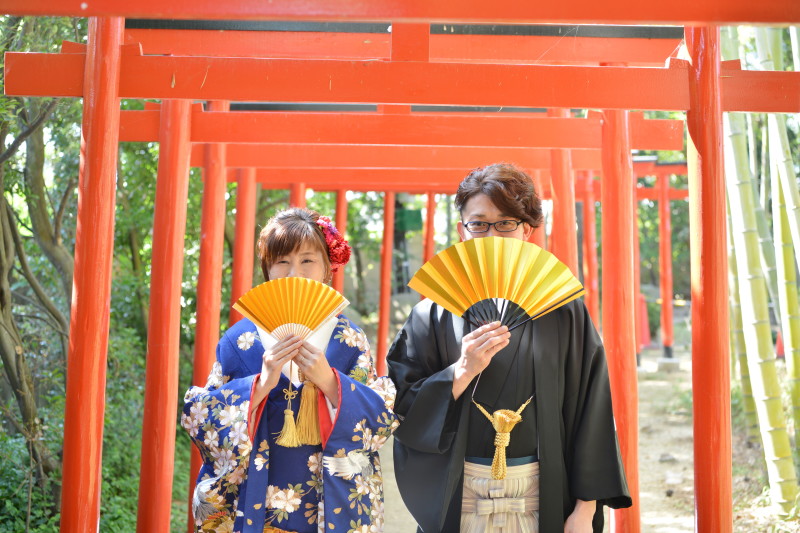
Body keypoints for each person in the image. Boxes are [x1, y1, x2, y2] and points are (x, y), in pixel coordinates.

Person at [388, 163, 631, 533]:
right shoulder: (431, 314)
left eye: (506, 223)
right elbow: (400, 407)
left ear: (527, 231)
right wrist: (461, 371)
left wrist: (585, 509)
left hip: (545, 491)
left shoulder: (563, 311)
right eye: (479, 223)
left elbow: (591, 408)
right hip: (461, 489)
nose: (492, 235)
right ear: (462, 230)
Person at [182, 208, 397, 533]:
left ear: (327, 267)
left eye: (307, 260)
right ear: (267, 269)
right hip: (254, 500)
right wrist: (259, 386)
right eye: (281, 261)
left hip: (328, 503)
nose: (294, 272)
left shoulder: (348, 340)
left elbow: (379, 420)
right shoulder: (239, 341)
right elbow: (202, 419)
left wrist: (330, 383)